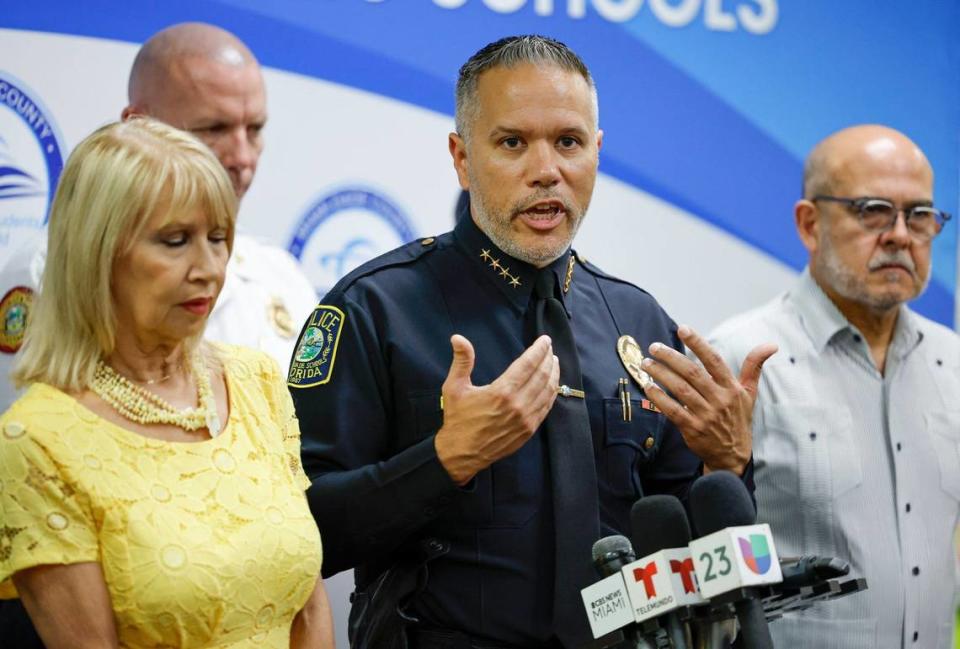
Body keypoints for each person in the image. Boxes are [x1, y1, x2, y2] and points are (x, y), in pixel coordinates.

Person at [290, 35, 774, 649]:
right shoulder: (372, 309)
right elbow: (302, 536)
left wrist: (725, 464)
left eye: (568, 143)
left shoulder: (641, 322)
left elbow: (688, 555)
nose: (546, 170)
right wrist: (445, 461)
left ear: (596, 153)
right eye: (513, 143)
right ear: (462, 158)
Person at [0, 118, 334, 648]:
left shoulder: (257, 381)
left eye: (219, 238)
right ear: (97, 253)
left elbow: (308, 604)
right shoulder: (37, 440)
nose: (208, 267)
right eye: (175, 241)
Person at [709, 124, 959, 649]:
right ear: (809, 223)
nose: (899, 234)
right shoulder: (740, 360)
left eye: (919, 215)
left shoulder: (952, 362)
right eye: (872, 210)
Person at [0, 22, 317, 412]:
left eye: (254, 129)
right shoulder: (50, 270)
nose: (243, 158)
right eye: (213, 128)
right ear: (138, 126)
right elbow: (26, 442)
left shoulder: (281, 278)